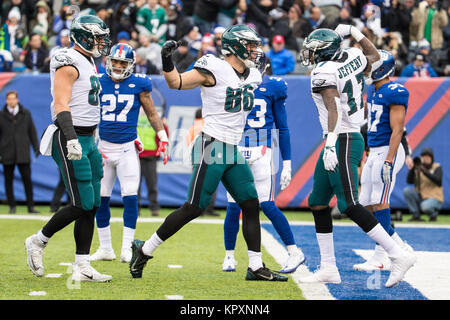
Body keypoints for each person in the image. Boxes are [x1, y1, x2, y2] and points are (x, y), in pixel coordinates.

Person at [129, 24, 288, 282]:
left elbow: (252, 77)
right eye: (249, 45)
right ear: (235, 46)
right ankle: (145, 250)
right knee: (194, 207)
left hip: (232, 150)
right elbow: (176, 82)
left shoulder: (253, 75)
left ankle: (256, 267)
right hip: (212, 146)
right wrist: (167, 60)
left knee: (250, 203)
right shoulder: (214, 67)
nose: (255, 50)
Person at [297, 25, 416, 288]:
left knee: (350, 203)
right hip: (344, 136)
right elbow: (374, 57)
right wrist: (356, 32)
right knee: (317, 201)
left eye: (314, 50)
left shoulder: (323, 71)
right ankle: (328, 267)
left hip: (342, 138)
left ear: (325, 51)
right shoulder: (353, 54)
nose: (310, 54)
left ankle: (398, 255)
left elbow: (332, 108)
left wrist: (329, 144)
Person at [25, 15, 113, 282]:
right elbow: (62, 103)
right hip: (69, 136)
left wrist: (91, 139)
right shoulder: (69, 60)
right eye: (98, 37)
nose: (101, 42)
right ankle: (38, 241)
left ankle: (82, 265)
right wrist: (71, 137)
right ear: (84, 37)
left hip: (88, 139)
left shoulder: (89, 60)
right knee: (81, 202)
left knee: (93, 204)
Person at [222, 58, 306, 274]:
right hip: (239, 149)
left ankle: (294, 252)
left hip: (261, 150)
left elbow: (283, 128)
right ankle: (229, 256)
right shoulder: (235, 84)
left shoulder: (272, 87)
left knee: (267, 204)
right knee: (233, 206)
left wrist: (287, 163)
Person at [89, 43, 169, 264]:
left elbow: (152, 113)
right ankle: (105, 248)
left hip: (126, 149)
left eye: (122, 63)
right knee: (101, 199)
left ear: (130, 65)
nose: (117, 66)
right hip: (103, 148)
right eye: (114, 61)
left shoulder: (139, 83)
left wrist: (162, 136)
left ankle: (126, 248)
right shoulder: (98, 81)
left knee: (130, 197)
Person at [354, 50, 414, 272]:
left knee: (380, 203)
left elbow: (398, 130)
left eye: (371, 65)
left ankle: (382, 256)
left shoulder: (395, 91)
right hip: (374, 151)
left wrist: (389, 160)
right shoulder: (372, 89)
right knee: (364, 205)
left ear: (382, 68)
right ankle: (399, 246)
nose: (367, 68)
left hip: (388, 152)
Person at [0, 90, 40, 214]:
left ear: (17, 99)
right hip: (7, 152)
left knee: (27, 180)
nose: (11, 101)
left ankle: (30, 206)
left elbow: (32, 131)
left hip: (23, 152)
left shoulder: (26, 113)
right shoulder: (1, 115)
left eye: (13, 98)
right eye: (9, 99)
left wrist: (36, 148)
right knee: (8, 180)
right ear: (6, 100)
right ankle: (12, 206)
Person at [137, 107, 170, 218]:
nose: (142, 109)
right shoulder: (134, 118)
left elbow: (164, 136)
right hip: (137, 155)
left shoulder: (154, 120)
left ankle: (154, 208)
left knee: (152, 185)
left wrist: (164, 125)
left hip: (151, 156)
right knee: (135, 185)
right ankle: (136, 209)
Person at [403, 147, 444, 222]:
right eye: (424, 156)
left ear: (432, 157)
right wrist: (412, 169)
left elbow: (438, 181)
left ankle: (433, 215)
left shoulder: (437, 167)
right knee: (407, 191)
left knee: (425, 206)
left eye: (428, 156)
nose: (426, 158)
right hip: (422, 196)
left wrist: (424, 171)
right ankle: (416, 216)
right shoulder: (418, 168)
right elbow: (409, 181)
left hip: (434, 197)